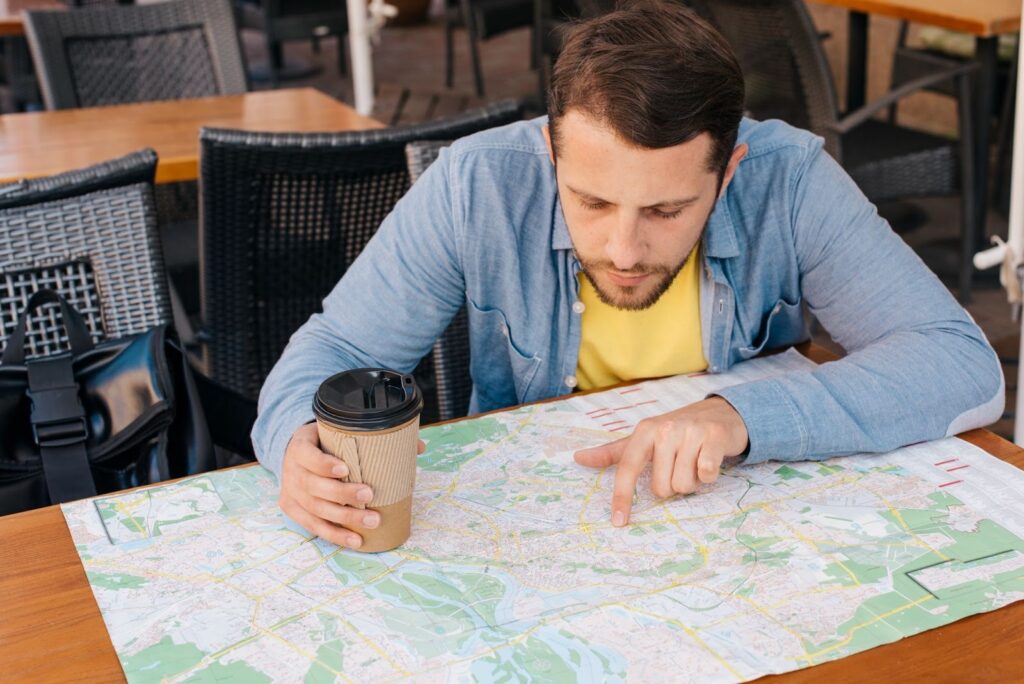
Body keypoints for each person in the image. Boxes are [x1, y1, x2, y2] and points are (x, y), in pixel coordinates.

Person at [253, 0, 1003, 549]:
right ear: (551, 154)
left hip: (738, 534)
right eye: (591, 200)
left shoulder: (790, 177)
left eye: (668, 210)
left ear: (728, 171)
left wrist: (740, 416)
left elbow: (962, 364)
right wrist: (294, 443)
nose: (621, 248)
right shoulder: (477, 183)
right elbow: (327, 357)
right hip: (534, 540)